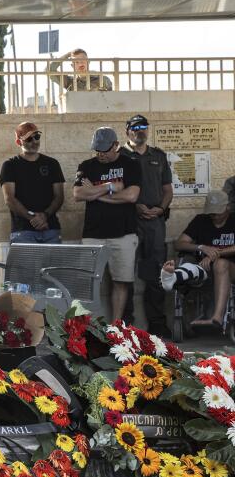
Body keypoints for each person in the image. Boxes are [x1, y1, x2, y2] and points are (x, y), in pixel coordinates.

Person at [73, 127, 141, 320]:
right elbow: (78, 194)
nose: (100, 154)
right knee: (89, 283)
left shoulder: (131, 164)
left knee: (121, 282)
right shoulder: (87, 165)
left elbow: (131, 196)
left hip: (124, 234)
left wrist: (95, 194)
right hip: (93, 234)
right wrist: (109, 187)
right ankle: (89, 328)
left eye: (105, 149)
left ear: (116, 145)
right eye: (97, 149)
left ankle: (116, 327)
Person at [119, 114, 173, 336]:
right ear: (127, 132)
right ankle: (126, 324)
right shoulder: (120, 156)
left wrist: (160, 208)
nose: (140, 131)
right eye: (136, 127)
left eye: (144, 127)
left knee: (155, 272)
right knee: (126, 272)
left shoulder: (158, 156)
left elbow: (168, 188)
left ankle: (157, 323)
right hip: (129, 219)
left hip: (155, 220)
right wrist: (137, 206)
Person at [166, 190, 235, 327]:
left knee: (220, 264)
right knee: (188, 268)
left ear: (227, 207)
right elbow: (179, 244)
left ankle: (217, 317)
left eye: (217, 212)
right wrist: (201, 247)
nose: (214, 216)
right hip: (204, 270)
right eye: (211, 212)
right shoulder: (201, 220)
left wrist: (216, 254)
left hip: (231, 269)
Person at [0, 121, 64, 244]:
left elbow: (59, 196)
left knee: (54, 264)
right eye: (29, 139)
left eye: (37, 137)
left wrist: (44, 216)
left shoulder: (52, 164)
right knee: (25, 264)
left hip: (51, 229)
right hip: (23, 231)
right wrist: (33, 219)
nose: (34, 141)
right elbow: (9, 199)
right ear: (19, 142)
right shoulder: (10, 165)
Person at [48, 48, 113, 92]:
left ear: (88, 62)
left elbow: (112, 101)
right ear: (72, 66)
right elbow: (48, 70)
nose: (80, 64)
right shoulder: (69, 82)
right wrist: (67, 55)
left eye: (83, 60)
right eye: (76, 62)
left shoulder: (103, 80)